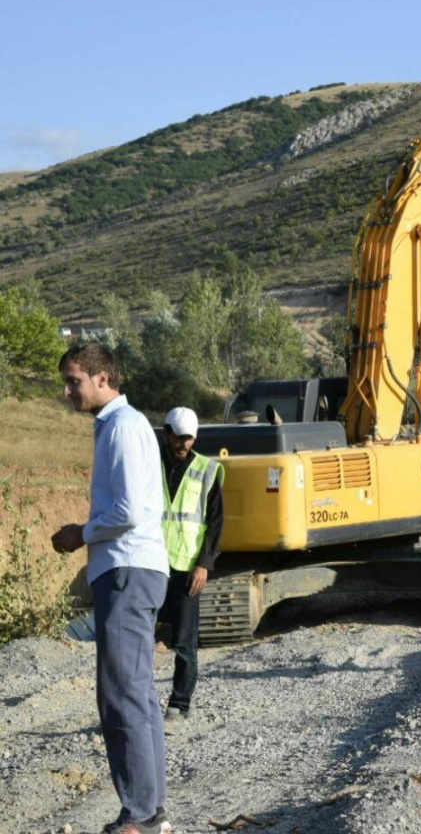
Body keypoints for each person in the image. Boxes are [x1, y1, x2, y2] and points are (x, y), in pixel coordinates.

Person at [50, 343, 172, 834]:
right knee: (136, 694)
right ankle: (151, 809)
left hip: (126, 571)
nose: (66, 391)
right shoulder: (123, 426)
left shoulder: (121, 428)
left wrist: (81, 532)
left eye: (73, 380)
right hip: (136, 571)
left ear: (102, 378)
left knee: (121, 695)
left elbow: (126, 513)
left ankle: (140, 814)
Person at [158, 406, 224, 732]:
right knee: (141, 639)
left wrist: (204, 565)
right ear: (166, 433)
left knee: (184, 643)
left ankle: (179, 705)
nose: (184, 443)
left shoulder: (207, 471)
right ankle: (139, 704)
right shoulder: (150, 465)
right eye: (179, 437)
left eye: (189, 438)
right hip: (152, 566)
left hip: (187, 568)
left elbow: (215, 524)